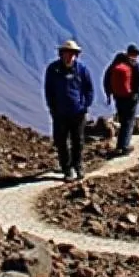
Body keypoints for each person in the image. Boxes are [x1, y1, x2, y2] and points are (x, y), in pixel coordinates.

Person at [44, 40, 94, 182]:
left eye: (72, 53)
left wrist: (85, 105)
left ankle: (77, 166)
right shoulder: (53, 70)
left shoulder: (82, 70)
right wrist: (52, 108)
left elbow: (89, 89)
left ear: (76, 55)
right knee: (61, 141)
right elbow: (49, 90)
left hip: (78, 113)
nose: (70, 56)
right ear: (61, 54)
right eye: (67, 53)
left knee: (77, 141)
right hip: (60, 113)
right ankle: (67, 169)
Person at [104, 43, 139, 156]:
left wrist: (109, 94)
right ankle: (124, 146)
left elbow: (107, 77)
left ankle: (120, 145)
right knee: (128, 122)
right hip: (130, 98)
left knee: (123, 120)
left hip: (118, 97)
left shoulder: (116, 62)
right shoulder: (134, 65)